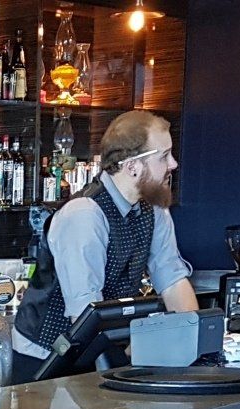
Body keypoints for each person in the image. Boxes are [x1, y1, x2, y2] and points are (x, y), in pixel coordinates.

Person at [11, 110, 197, 374]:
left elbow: (172, 279)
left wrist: (193, 347)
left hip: (100, 347)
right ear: (132, 166)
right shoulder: (84, 215)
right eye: (164, 156)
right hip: (48, 357)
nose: (174, 164)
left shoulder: (154, 209)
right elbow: (85, 314)